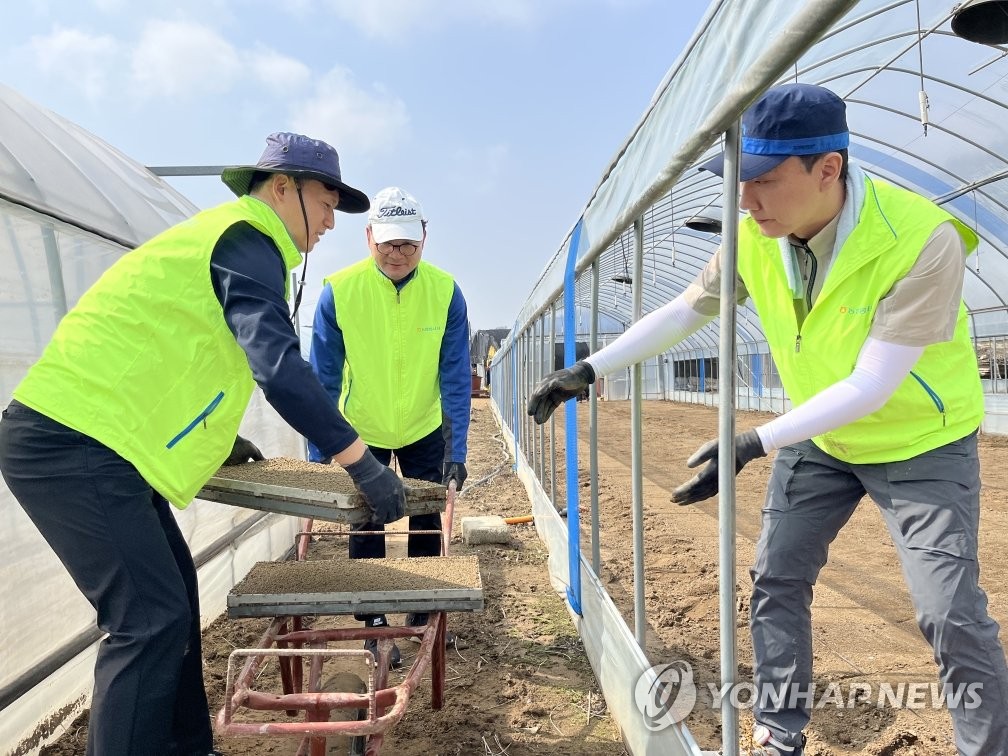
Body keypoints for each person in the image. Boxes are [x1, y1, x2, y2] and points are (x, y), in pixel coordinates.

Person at [527, 84, 1008, 756]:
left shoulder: (922, 240)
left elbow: (874, 384)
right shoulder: (755, 235)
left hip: (920, 441)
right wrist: (588, 370)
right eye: (737, 182)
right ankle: (780, 731)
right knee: (777, 577)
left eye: (763, 181)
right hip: (823, 436)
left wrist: (754, 440)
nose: (745, 201)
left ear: (828, 169)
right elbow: (685, 311)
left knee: (948, 610)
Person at [0, 132, 407, 756]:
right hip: (71, 443)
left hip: (96, 441)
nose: (331, 220)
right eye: (327, 202)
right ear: (281, 188)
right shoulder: (246, 240)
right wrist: (363, 465)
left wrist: (220, 437)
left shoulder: (232, 241)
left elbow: (175, 349)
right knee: (144, 622)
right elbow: (277, 365)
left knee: (175, 603)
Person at [309, 186, 471, 667]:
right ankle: (374, 621)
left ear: (423, 238)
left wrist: (455, 447)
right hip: (362, 432)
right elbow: (320, 380)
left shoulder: (445, 292)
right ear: (368, 238)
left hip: (424, 427)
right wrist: (322, 455)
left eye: (407, 244)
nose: (397, 254)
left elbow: (456, 376)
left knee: (425, 518)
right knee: (368, 522)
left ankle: (421, 613)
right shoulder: (338, 292)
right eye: (387, 244)